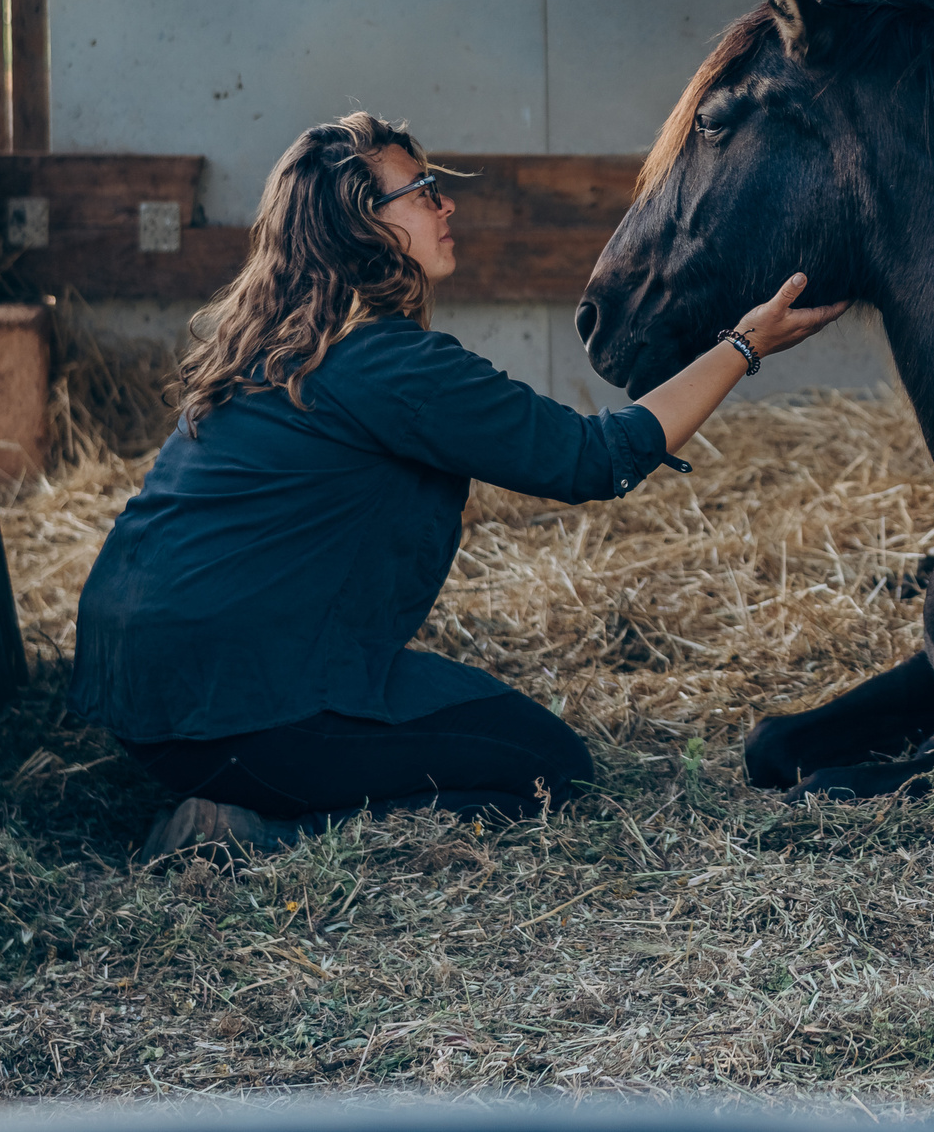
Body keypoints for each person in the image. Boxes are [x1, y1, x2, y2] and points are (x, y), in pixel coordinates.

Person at [68, 111, 847, 853]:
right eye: (422, 192)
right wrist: (744, 346)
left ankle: (249, 795)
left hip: (149, 706)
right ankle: (259, 836)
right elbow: (596, 457)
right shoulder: (387, 363)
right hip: (241, 713)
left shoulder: (274, 351)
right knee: (549, 771)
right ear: (364, 223)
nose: (446, 205)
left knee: (474, 728)